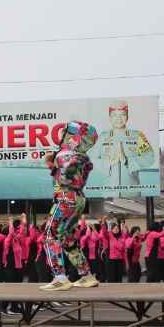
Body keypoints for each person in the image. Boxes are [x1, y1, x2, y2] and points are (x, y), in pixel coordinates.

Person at [41, 121, 100, 291]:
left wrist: (58, 173)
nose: (61, 137)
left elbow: (67, 177)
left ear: (72, 137)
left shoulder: (64, 154)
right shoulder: (81, 155)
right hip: (79, 199)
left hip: (66, 197)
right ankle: (86, 275)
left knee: (49, 236)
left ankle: (60, 278)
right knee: (67, 239)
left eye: (64, 134)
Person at [95, 100, 155, 198]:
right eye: (114, 115)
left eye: (122, 115)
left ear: (127, 116)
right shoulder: (102, 137)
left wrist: (127, 160)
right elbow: (89, 159)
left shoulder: (138, 135)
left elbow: (149, 158)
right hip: (108, 193)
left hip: (132, 193)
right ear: (110, 117)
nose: (118, 119)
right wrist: (107, 163)